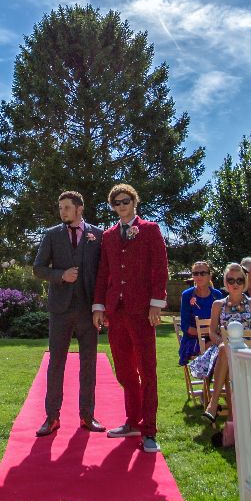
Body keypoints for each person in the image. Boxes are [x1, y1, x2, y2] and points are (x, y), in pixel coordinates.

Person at [93, 183, 169, 454]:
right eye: (116, 203)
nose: (121, 206)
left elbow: (160, 268)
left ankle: (149, 431)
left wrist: (156, 304)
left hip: (142, 311)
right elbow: (104, 272)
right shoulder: (109, 236)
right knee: (125, 371)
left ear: (134, 202)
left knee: (147, 371)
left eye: (125, 201)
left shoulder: (150, 230)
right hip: (117, 312)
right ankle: (132, 421)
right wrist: (99, 306)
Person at [32, 191, 104, 435]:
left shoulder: (98, 235)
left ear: (79, 208)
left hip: (88, 310)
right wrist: (60, 275)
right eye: (60, 207)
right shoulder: (52, 235)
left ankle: (88, 416)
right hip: (60, 310)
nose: (62, 211)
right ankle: (52, 418)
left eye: (66, 207)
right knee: (56, 364)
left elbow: (104, 272)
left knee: (89, 364)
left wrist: (101, 306)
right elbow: (38, 269)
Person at [191, 263, 251, 422]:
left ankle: (214, 404)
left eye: (239, 280)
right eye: (231, 280)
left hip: (247, 349)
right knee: (225, 349)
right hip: (224, 349)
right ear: (225, 282)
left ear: (244, 282)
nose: (235, 284)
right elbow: (212, 331)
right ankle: (231, 419)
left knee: (227, 356)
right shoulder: (218, 305)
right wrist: (221, 341)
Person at [179, 261, 223, 365]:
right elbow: (185, 326)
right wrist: (210, 334)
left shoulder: (217, 295)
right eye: (195, 273)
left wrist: (213, 336)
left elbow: (223, 320)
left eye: (203, 273)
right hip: (193, 341)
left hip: (215, 338)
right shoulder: (187, 295)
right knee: (221, 347)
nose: (199, 276)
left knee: (224, 347)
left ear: (209, 275)